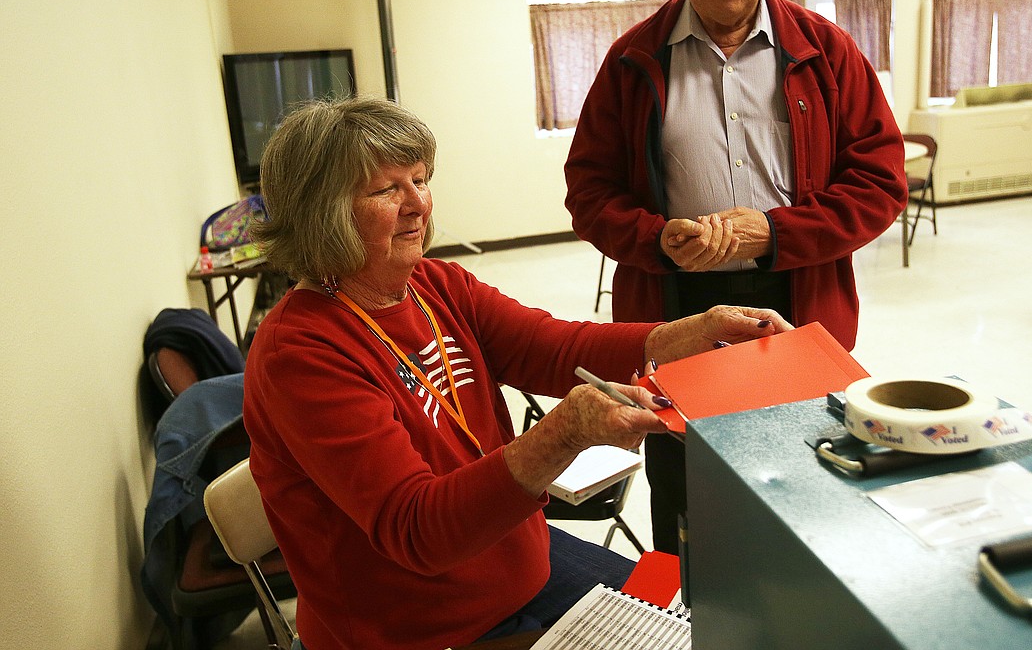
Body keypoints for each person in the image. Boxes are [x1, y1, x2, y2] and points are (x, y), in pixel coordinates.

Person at [243, 95, 790, 650]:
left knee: (706, 622)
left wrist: (686, 334)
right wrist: (564, 432)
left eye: (421, 179)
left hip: (516, 563)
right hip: (423, 627)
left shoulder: (435, 285)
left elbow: (553, 347)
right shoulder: (301, 351)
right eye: (387, 189)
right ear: (323, 213)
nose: (418, 205)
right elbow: (416, 530)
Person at [563, 0, 907, 554]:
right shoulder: (633, 60)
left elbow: (879, 181)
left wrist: (772, 233)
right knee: (690, 503)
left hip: (799, 301)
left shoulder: (829, 53)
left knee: (808, 492)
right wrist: (658, 238)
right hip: (675, 312)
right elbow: (589, 191)